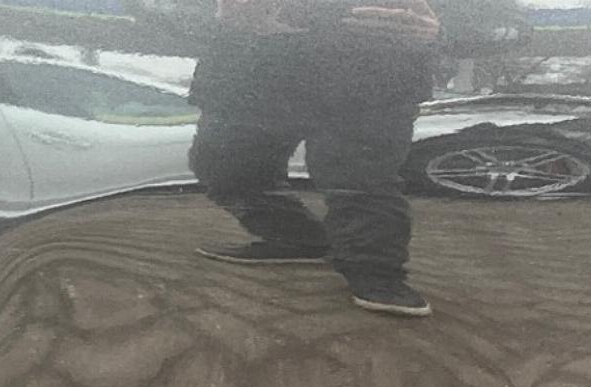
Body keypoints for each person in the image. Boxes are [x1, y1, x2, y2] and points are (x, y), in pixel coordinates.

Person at [188, 0, 440, 317]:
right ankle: (296, 237)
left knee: (358, 176)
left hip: (370, 60)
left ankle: (377, 273)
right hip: (250, 61)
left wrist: (434, 27)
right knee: (222, 162)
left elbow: (471, 15)